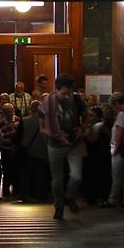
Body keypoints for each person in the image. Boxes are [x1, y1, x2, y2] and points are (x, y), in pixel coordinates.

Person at [39, 73, 88, 220]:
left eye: (69, 93)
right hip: (55, 144)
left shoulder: (76, 98)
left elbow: (87, 116)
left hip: (74, 142)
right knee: (57, 180)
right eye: (64, 93)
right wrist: (55, 135)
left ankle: (70, 196)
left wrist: (82, 128)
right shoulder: (46, 103)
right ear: (56, 89)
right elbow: (41, 128)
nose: (67, 96)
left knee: (77, 176)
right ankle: (59, 206)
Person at [102, 92, 124, 208]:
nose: (114, 108)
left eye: (114, 105)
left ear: (117, 103)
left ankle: (112, 200)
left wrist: (115, 148)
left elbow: (119, 132)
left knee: (116, 177)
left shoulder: (122, 114)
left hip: (121, 150)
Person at [17, 99, 50, 202]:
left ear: (31, 108)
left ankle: (25, 195)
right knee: (40, 174)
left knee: (26, 174)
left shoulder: (24, 120)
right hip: (42, 151)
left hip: (27, 150)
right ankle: (40, 195)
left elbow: (18, 137)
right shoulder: (46, 121)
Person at [0, 102, 20, 197]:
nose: (11, 113)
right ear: (4, 113)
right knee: (7, 172)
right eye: (8, 112)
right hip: (6, 150)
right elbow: (0, 139)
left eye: (12, 111)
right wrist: (11, 141)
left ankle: (16, 192)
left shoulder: (18, 120)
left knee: (16, 171)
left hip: (16, 151)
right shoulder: (0, 124)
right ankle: (6, 193)